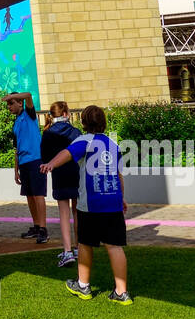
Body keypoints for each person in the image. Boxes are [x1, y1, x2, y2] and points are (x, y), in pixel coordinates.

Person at [41, 104, 132, 305]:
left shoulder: (84, 141)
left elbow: (66, 153)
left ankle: (83, 285)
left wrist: (50, 165)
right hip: (113, 201)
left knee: (85, 244)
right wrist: (122, 198)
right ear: (104, 123)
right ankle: (122, 292)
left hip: (91, 205)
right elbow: (118, 176)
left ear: (83, 122)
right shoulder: (112, 144)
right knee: (115, 246)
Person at [41, 102, 82, 268]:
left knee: (63, 213)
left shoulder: (48, 133)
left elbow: (45, 158)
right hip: (76, 173)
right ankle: (79, 247)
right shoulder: (76, 132)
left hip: (59, 174)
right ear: (65, 113)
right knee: (77, 211)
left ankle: (67, 251)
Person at [6, 91, 48, 243]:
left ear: (20, 103)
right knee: (29, 196)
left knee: (38, 195)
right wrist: (16, 170)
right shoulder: (16, 122)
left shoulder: (29, 115)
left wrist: (11, 96)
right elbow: (17, 148)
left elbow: (29, 95)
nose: (9, 106)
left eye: (11, 103)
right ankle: (36, 226)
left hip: (36, 160)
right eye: (8, 104)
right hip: (23, 163)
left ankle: (43, 229)